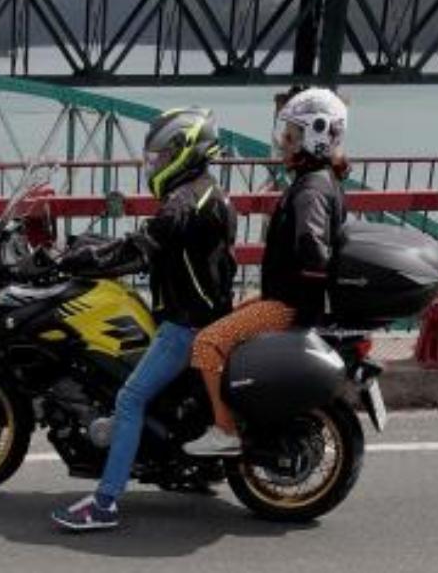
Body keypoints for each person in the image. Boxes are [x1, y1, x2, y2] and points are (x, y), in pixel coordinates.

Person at [50, 108, 238, 531]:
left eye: (160, 154)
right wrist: (93, 243)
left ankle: (104, 503)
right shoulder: (207, 191)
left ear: (183, 150)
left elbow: (144, 245)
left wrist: (84, 259)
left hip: (188, 324)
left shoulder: (185, 200)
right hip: (203, 314)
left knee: (129, 399)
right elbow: (158, 245)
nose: (153, 163)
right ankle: (192, 468)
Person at [183, 87, 349, 457]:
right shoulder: (324, 181)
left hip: (287, 306)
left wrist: (304, 274)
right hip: (286, 298)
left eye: (291, 136)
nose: (283, 144)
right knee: (228, 319)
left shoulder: (310, 190)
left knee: (206, 344)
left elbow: (311, 243)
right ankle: (232, 408)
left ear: (315, 138)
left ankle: (224, 430)